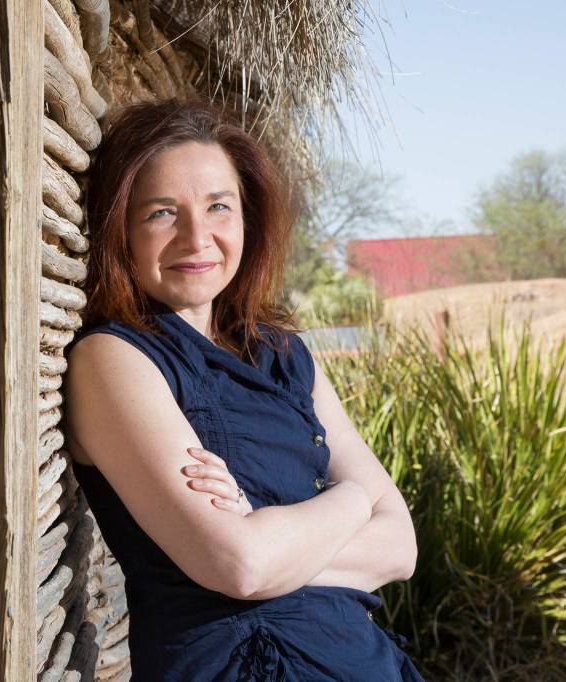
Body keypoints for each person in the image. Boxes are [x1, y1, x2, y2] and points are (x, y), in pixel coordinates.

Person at [63, 97, 425, 681]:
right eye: (161, 212)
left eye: (218, 207)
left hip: (363, 661)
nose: (197, 237)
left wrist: (268, 536)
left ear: (246, 219)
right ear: (120, 228)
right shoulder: (114, 360)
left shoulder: (285, 355)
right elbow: (240, 566)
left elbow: (400, 546)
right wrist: (357, 500)